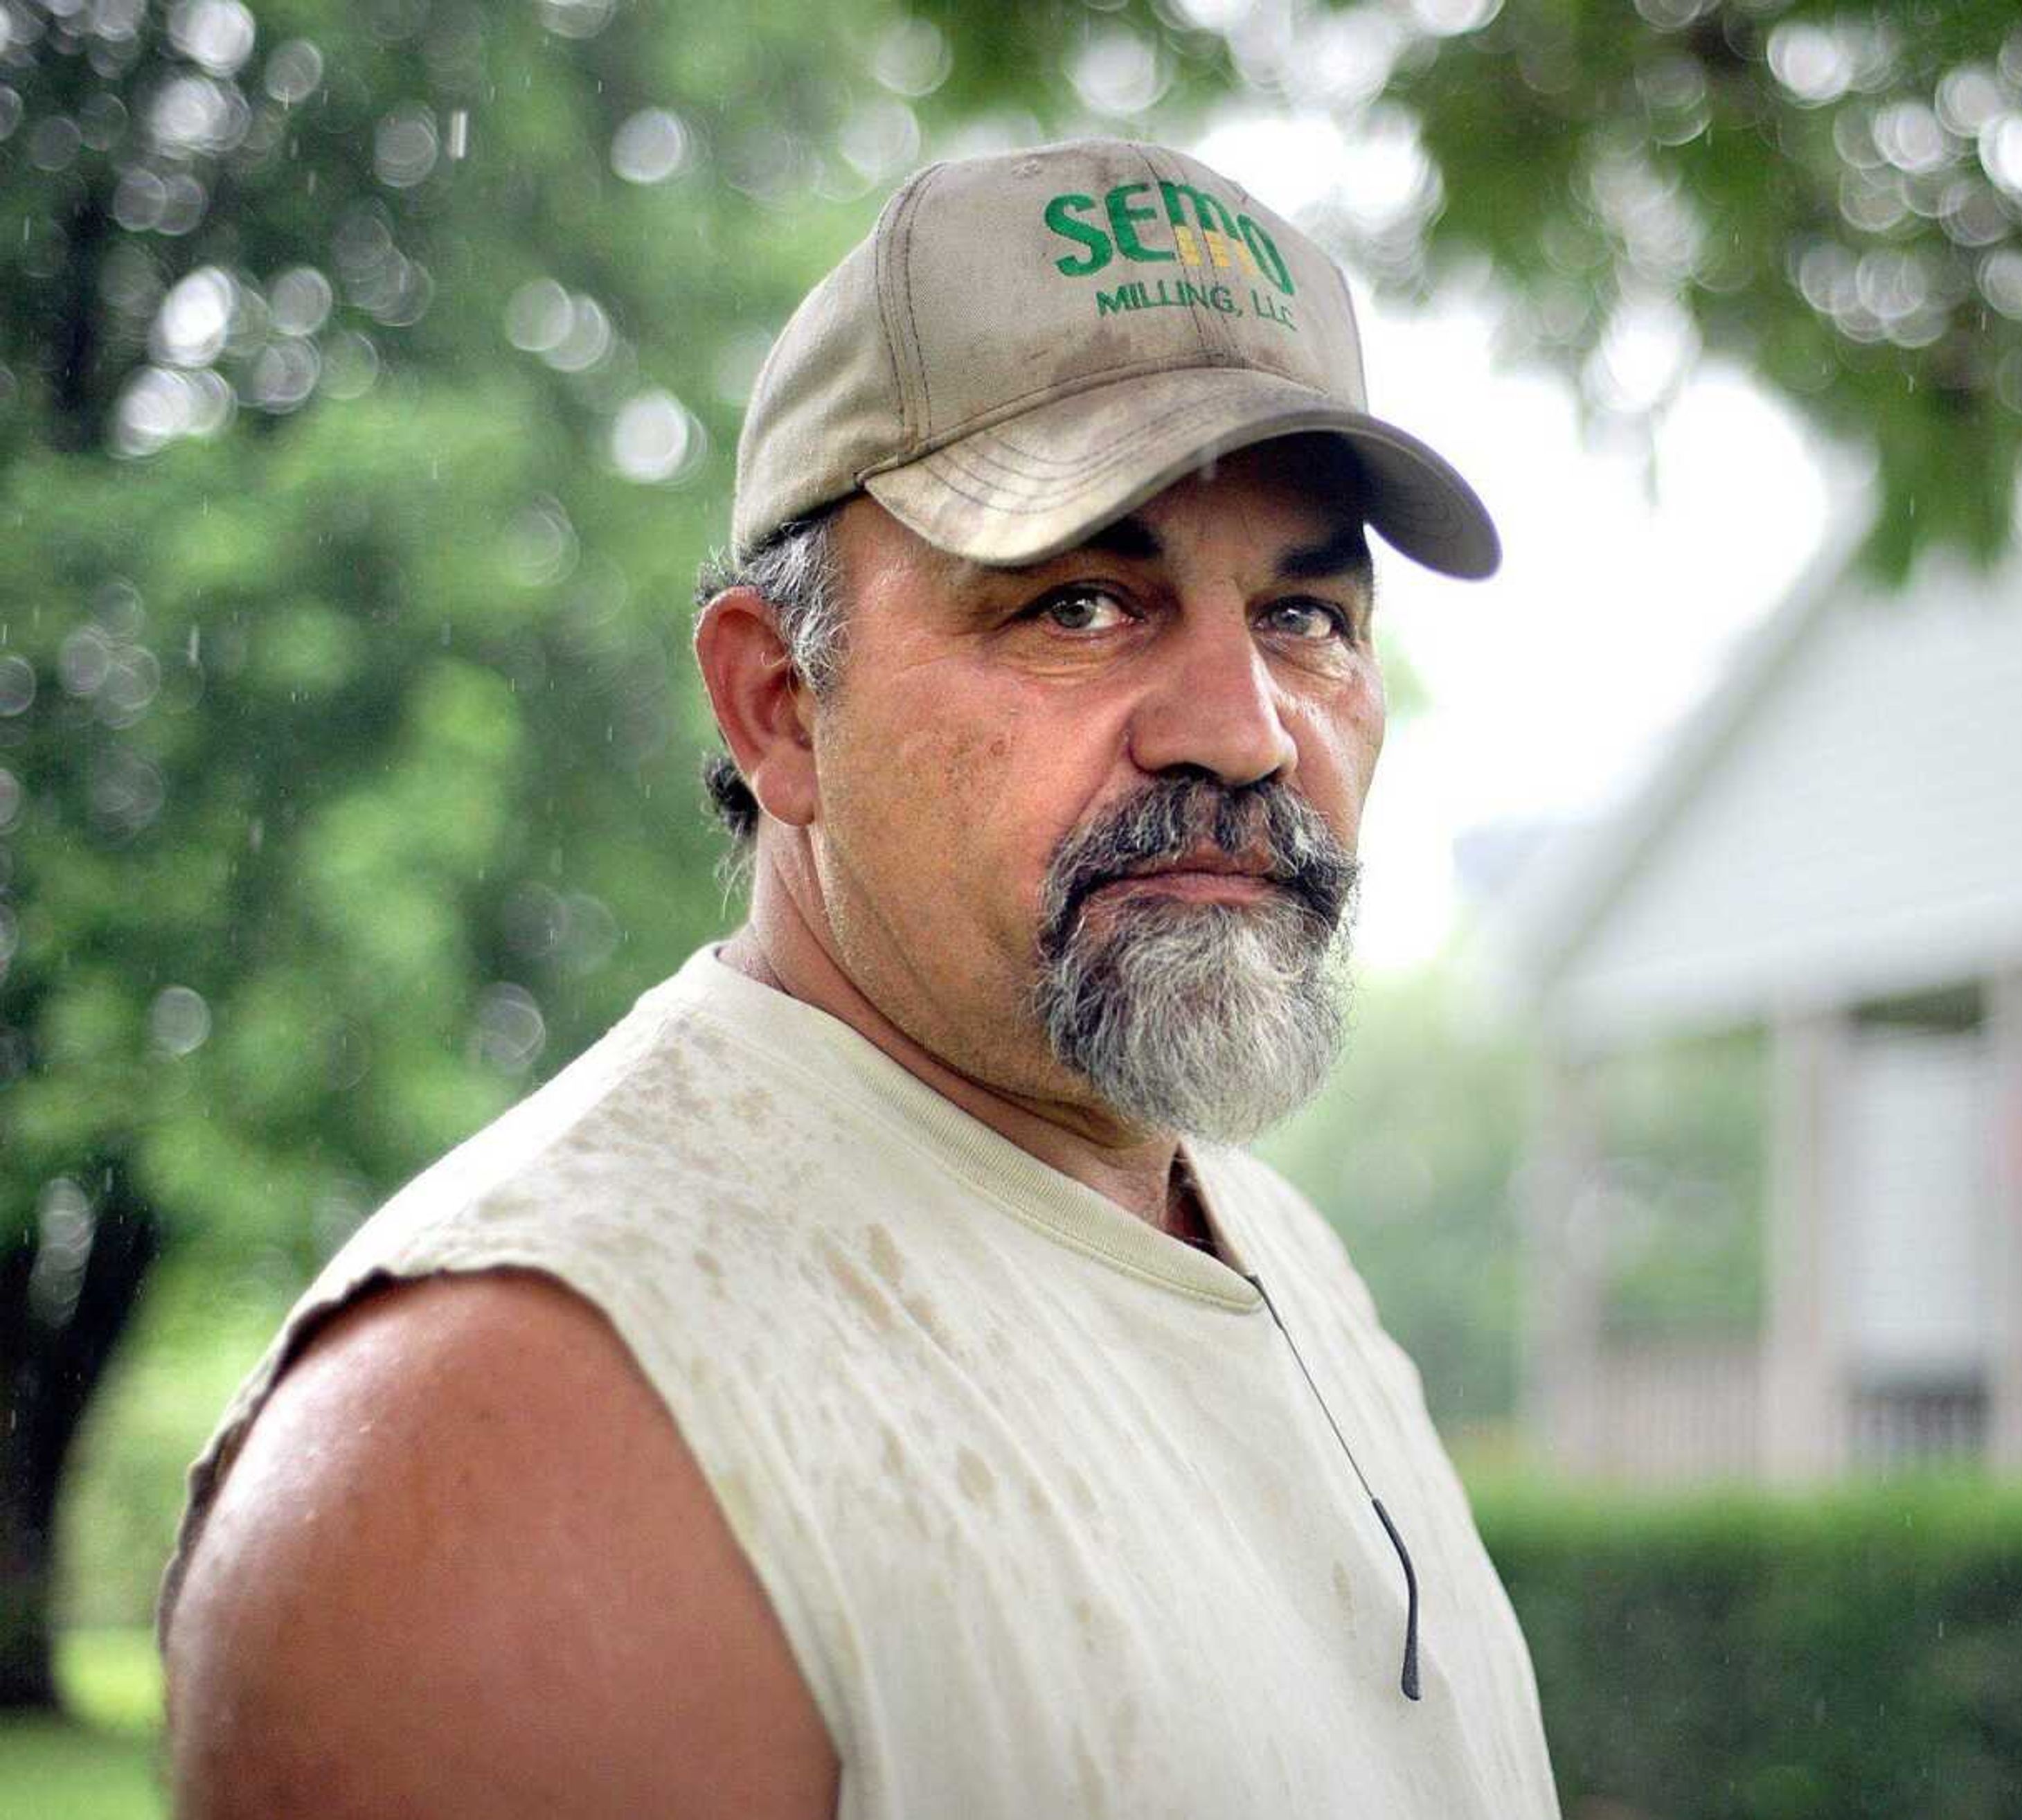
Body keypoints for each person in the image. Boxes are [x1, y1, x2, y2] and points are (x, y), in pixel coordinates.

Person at [156, 138, 1560, 1817]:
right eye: (1085, 605)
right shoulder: (516, 1446)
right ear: (778, 708)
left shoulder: (1283, 1259)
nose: (1243, 729)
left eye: (1305, 612)